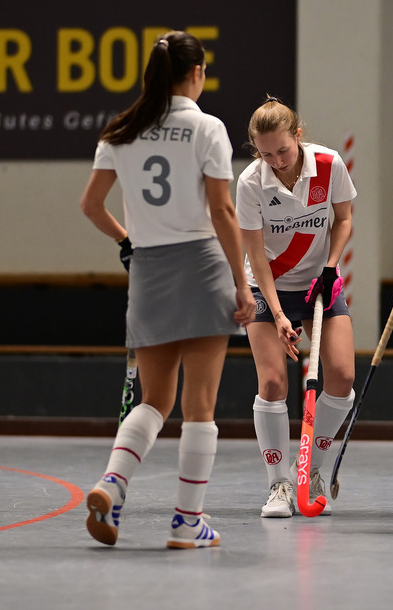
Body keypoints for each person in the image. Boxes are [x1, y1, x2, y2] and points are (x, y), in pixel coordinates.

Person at [80, 31, 255, 548]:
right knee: (200, 406)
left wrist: (128, 240)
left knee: (154, 399)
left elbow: (90, 206)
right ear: (197, 73)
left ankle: (113, 481)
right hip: (202, 266)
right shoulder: (208, 128)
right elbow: (223, 212)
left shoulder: (121, 130)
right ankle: (186, 521)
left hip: (150, 270)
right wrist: (242, 285)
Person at [236, 97, 357, 518]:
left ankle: (311, 471)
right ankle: (279, 485)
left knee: (341, 376)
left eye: (283, 151)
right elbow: (255, 256)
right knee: (272, 384)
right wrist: (280, 315)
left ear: (298, 136)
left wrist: (330, 265)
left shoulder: (328, 164)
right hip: (267, 288)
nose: (277, 161)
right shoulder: (251, 182)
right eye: (266, 154)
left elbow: (343, 219)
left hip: (318, 283)